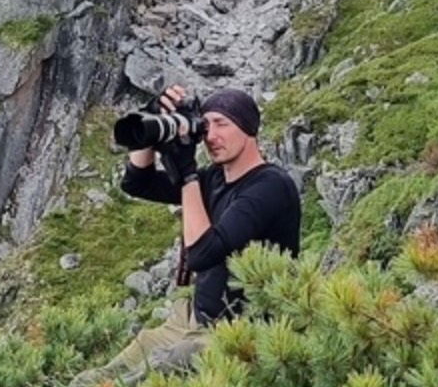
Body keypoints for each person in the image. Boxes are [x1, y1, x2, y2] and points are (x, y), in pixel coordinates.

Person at [70, 85, 302, 386]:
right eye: (205, 125)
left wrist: (188, 174)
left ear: (249, 128)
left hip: (241, 333)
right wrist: (151, 126)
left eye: (222, 124)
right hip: (193, 317)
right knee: (95, 378)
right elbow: (136, 183)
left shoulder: (270, 186)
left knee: (140, 378)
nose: (211, 136)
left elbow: (203, 254)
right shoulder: (214, 179)